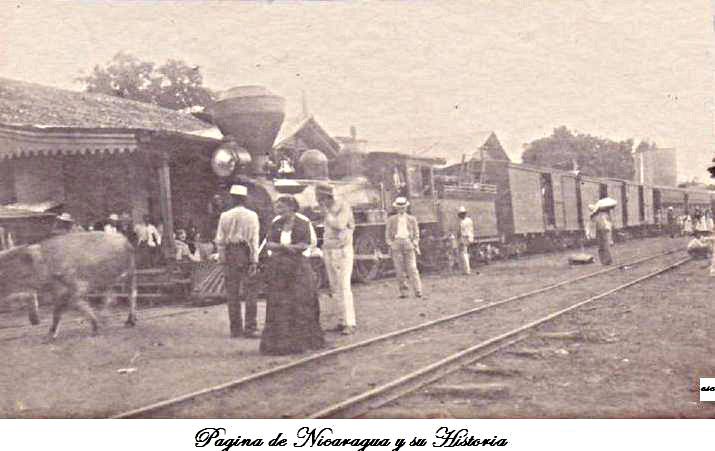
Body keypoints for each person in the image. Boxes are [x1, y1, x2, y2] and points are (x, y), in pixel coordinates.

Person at [260, 196, 324, 355]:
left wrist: (282, 248)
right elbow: (269, 243)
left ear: (291, 208)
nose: (278, 210)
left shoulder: (302, 223)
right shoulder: (276, 223)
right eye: (277, 207)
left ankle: (300, 342)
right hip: (279, 268)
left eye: (281, 208)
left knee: (299, 303)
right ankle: (279, 344)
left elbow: (304, 245)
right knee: (279, 303)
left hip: (298, 269)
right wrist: (287, 247)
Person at [215, 184, 260, 339]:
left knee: (232, 293)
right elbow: (254, 239)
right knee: (250, 292)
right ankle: (250, 328)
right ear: (245, 199)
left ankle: (235, 329)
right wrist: (254, 260)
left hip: (230, 253)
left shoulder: (224, 216)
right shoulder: (252, 215)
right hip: (246, 252)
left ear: (232, 198)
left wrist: (222, 258)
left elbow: (220, 240)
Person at [316, 183, 356, 335]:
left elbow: (339, 225)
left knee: (344, 286)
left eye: (320, 198)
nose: (319, 202)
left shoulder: (342, 206)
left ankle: (349, 322)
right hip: (329, 248)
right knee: (334, 287)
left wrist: (326, 213)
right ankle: (341, 320)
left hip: (342, 249)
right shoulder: (328, 207)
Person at [385, 197, 423, 299]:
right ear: (396, 208)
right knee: (399, 269)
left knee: (412, 268)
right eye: (399, 208)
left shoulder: (412, 219)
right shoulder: (391, 219)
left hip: (408, 243)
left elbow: (416, 233)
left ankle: (418, 290)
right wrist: (391, 244)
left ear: (406, 208)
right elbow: (387, 234)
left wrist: (414, 243)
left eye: (403, 207)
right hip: (396, 244)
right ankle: (404, 292)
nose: (401, 209)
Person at [457, 206, 475, 275]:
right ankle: (466, 270)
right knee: (465, 254)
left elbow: (460, 231)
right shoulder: (469, 220)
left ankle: (466, 271)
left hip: (465, 238)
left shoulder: (462, 222)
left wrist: (459, 238)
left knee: (464, 254)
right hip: (469, 237)